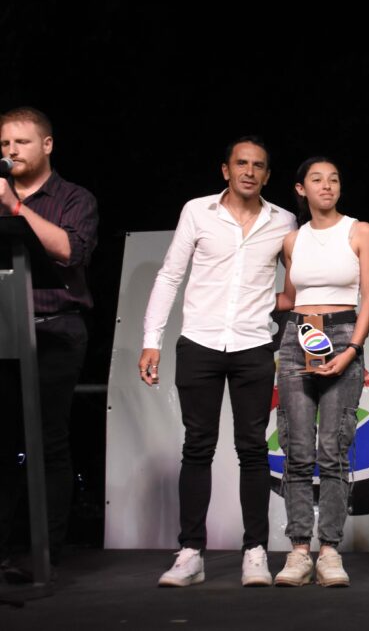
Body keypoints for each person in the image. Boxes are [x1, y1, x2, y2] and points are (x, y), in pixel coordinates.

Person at [138, 136, 295, 587]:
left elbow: (296, 285)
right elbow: (170, 275)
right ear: (226, 170)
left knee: (253, 449)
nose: (249, 171)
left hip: (253, 345)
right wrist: (151, 341)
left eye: (258, 165)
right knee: (197, 447)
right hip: (200, 342)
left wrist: (267, 306)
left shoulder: (284, 220)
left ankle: (256, 551)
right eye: (241, 163)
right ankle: (191, 552)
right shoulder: (197, 211)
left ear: (267, 175)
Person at [0, 106, 98, 573]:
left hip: (55, 329)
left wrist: (15, 208)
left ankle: (42, 551)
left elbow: (70, 251)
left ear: (47, 144)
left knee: (46, 439)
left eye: (20, 142)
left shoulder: (74, 198)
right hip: (4, 330)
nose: (11, 151)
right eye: (4, 144)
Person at [271, 156, 369, 587]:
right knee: (297, 450)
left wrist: (353, 348)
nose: (327, 186)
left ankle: (330, 550)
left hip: (343, 333)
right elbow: (289, 297)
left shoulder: (359, 230)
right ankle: (299, 550)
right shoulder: (292, 240)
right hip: (297, 338)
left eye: (334, 179)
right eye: (317, 179)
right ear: (301, 189)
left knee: (333, 450)